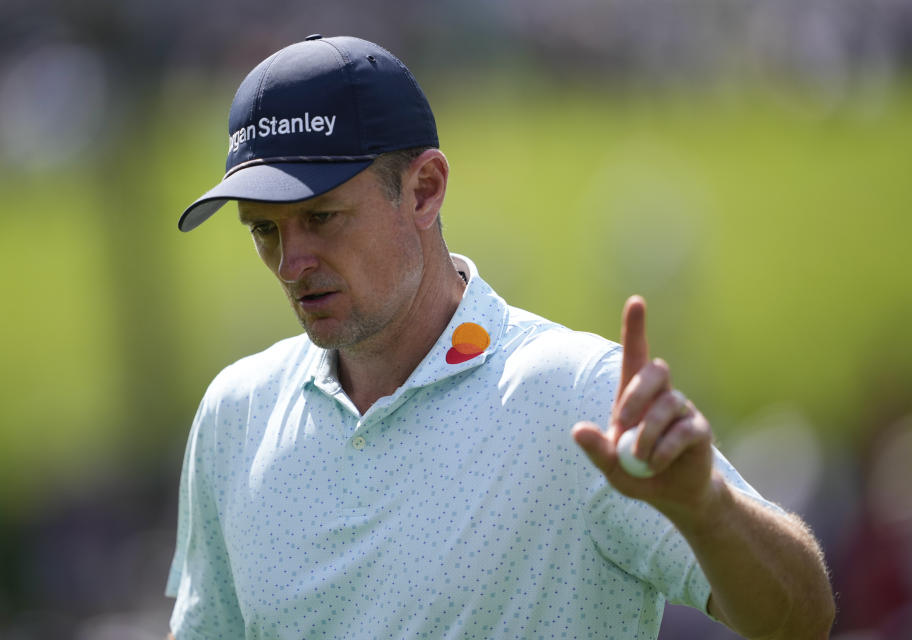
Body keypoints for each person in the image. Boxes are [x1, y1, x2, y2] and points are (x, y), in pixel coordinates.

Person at [165, 35, 835, 639]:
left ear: (424, 190)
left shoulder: (575, 396)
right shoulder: (236, 413)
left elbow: (801, 618)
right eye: (265, 230)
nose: (291, 263)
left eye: (323, 216)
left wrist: (708, 512)